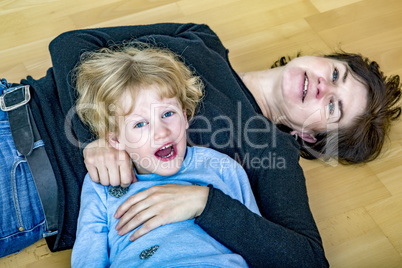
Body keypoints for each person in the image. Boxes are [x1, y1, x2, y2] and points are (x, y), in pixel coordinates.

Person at [0, 22, 400, 267]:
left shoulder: (270, 152)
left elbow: (307, 260)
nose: (323, 86)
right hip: (12, 100)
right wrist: (94, 136)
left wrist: (205, 203)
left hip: (25, 188)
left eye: (333, 105)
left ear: (311, 137)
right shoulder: (201, 38)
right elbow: (74, 42)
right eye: (335, 73)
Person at [71, 44, 260, 267]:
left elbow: (255, 237)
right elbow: (88, 255)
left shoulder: (222, 167)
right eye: (140, 124)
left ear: (185, 116)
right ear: (116, 140)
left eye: (168, 114)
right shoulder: (101, 183)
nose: (161, 132)